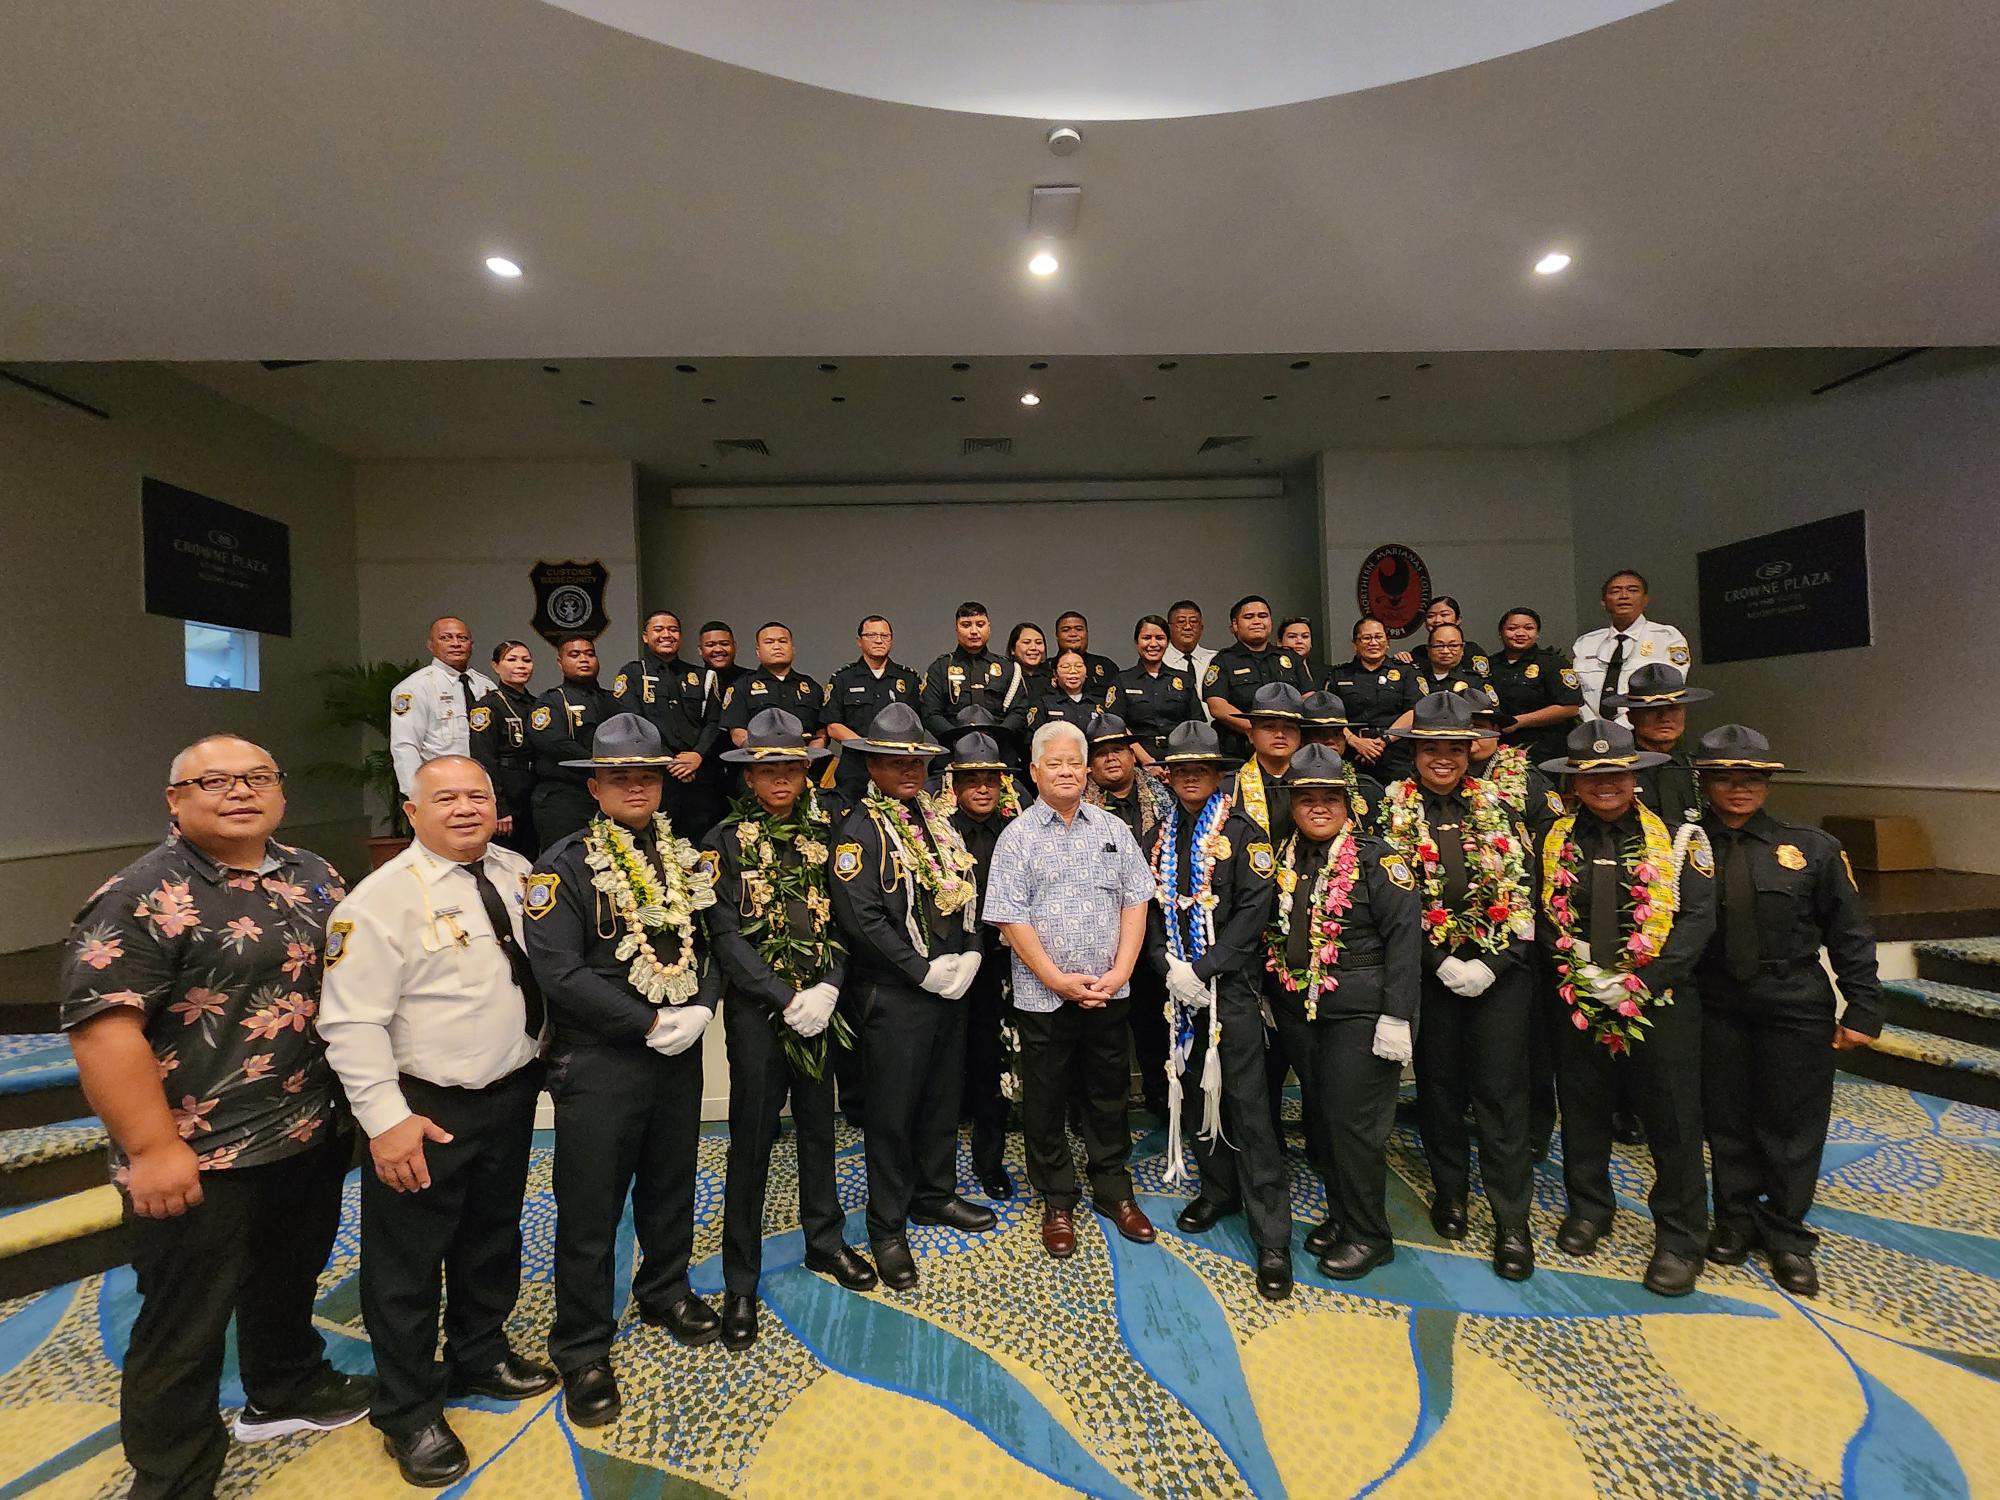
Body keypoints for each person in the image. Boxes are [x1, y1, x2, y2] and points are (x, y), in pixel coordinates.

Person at [59, 735, 369, 1500]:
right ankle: (174, 1475)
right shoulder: (141, 893)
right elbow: (104, 1029)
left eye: (258, 777)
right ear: (176, 799)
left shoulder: (315, 875)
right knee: (183, 1323)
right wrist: (152, 1146)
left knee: (288, 1277)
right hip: (199, 1152)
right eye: (215, 781)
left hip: (306, 1129)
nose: (239, 791)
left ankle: (285, 1387)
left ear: (280, 791)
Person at [318, 756, 556, 1486]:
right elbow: (351, 1023)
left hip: (509, 1093)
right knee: (406, 1266)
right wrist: (387, 1122)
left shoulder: (518, 874)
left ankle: (480, 1354)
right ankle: (409, 1410)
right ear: (411, 811)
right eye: (444, 797)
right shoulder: (379, 901)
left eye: (476, 795)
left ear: (497, 805)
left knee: (491, 1237)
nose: (463, 808)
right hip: (424, 1108)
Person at [522, 713, 722, 1426]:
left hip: (678, 1052)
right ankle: (581, 1347)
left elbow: (712, 942)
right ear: (596, 787)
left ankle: (664, 1290)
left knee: (672, 1182)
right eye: (620, 777)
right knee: (589, 1209)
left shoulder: (684, 858)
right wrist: (647, 1023)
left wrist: (701, 1007)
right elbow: (558, 970)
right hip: (602, 1059)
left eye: (647, 775)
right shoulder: (563, 866)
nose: (636, 786)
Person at [705, 711, 877, 1351]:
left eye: (791, 766)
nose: (780, 777)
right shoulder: (721, 840)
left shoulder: (831, 830)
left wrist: (829, 986)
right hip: (759, 1014)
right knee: (750, 1142)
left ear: (807, 771)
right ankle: (740, 1280)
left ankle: (824, 1242)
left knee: (818, 1127)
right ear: (750, 777)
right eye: (767, 768)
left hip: (823, 1010)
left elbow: (845, 918)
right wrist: (783, 996)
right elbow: (725, 934)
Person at [1693, 725, 1881, 1297]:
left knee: (1792, 1122)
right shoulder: (1684, 847)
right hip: (1715, 999)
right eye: (1725, 776)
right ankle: (1735, 1219)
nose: (1738, 787)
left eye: (1750, 777)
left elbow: (1849, 932)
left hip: (1792, 998)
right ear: (1705, 782)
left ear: (1768, 782)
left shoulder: (1813, 847)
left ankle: (1786, 1232)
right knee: (1725, 1117)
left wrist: (1864, 1006)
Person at [1537, 719, 1717, 1296]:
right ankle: (1590, 1208)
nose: (1605, 784)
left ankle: (1680, 1237)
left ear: (1634, 775)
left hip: (1659, 1001)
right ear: (1576, 782)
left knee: (1673, 1120)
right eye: (1592, 776)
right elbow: (1545, 913)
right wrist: (1578, 969)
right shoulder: (1555, 837)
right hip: (1581, 992)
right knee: (1583, 1108)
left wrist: (1646, 980)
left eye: (1616, 773)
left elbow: (1695, 920)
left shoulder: (1681, 838)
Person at [827, 702, 994, 1289]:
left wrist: (972, 950)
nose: (909, 769)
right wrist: (922, 971)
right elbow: (861, 919)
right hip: (897, 994)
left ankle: (935, 1195)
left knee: (941, 1101)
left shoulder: (936, 819)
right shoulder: (858, 829)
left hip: (952, 985)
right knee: (892, 1116)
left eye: (917, 760)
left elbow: (970, 886)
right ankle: (887, 1227)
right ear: (872, 763)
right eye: (896, 760)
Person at [985, 720, 1159, 1259]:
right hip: (1043, 997)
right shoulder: (1015, 836)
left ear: (1088, 772)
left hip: (1110, 992)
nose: (1065, 771)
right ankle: (1058, 1198)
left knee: (1108, 1096)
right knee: (1045, 1100)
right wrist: (1057, 979)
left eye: (1073, 763)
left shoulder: (1113, 829)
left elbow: (1136, 901)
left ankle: (1114, 1190)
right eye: (1053, 763)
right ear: (1034, 772)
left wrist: (1124, 969)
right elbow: (1010, 920)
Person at [1381, 694, 1538, 1280]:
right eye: (1431, 748)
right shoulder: (1391, 813)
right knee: (1440, 1092)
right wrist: (1438, 958)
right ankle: (1451, 1192)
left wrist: (1495, 965)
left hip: (1499, 978)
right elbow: (1392, 903)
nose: (1442, 758)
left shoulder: (1503, 807)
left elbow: (1528, 897)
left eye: (1453, 747)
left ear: (1470, 749)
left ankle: (1512, 1221)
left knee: (1500, 1097)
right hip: (1430, 975)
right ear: (1416, 752)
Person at [1258, 742, 1420, 1280]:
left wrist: (1397, 1016)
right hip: (1304, 1014)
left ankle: (1372, 1235)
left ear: (1349, 804)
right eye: (1308, 799)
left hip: (1361, 1013)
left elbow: (1404, 942)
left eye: (1331, 798)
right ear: (1294, 804)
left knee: (1355, 1126)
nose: (1319, 808)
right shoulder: (1288, 857)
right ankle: (1344, 1216)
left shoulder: (1379, 859)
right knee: (1324, 1121)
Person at [1147, 721, 1292, 1300]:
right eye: (1180, 768)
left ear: (1217, 773)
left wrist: (1201, 971)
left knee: (1248, 1104)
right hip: (1178, 989)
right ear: (1169, 774)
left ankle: (1272, 1235)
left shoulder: (1245, 833)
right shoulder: (1159, 835)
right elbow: (1150, 908)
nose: (1189, 776)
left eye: (1200, 768)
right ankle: (1218, 1189)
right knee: (1192, 1085)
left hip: (1229, 989)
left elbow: (1253, 913)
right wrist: (1168, 968)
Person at [1083, 714, 1175, 1120]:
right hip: (1098, 932)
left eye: (1117, 749)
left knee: (1157, 1021)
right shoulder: (1077, 809)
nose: (1111, 759)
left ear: (1132, 754)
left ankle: (1162, 1098)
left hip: (1157, 927)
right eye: (1100, 753)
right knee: (1101, 1030)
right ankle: (1101, 1111)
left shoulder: (1164, 800)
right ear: (1089, 764)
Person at [947, 728, 1020, 1199]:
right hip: (950, 968)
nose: (982, 788)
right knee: (949, 1066)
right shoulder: (937, 832)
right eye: (972, 780)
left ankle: (990, 1161)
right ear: (954, 786)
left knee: (996, 1062)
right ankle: (939, 1169)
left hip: (1003, 964)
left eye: (990, 780)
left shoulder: (1018, 831)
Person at [611, 610, 724, 836]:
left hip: (698, 774)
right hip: (655, 776)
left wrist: (697, 755)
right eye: (659, 629)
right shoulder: (632, 673)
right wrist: (670, 761)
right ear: (645, 636)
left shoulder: (702, 676)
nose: (666, 635)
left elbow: (714, 721)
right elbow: (632, 722)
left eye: (673, 630)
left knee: (703, 844)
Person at [527, 634, 617, 851]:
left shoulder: (612, 700)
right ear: (560, 662)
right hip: (564, 798)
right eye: (574, 655)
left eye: (590, 654)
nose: (584, 659)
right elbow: (552, 742)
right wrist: (598, 762)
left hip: (607, 796)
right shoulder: (552, 700)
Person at [391, 616, 497, 798]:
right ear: (430, 645)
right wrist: (415, 794)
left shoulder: (485, 686)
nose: (455, 643)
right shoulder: (414, 688)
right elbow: (405, 745)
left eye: (462, 638)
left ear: (471, 645)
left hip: (482, 786)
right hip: (440, 788)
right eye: (446, 638)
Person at [822, 615, 922, 805]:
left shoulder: (908, 679)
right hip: (856, 768)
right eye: (871, 635)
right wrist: (867, 746)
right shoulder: (843, 678)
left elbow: (918, 723)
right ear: (859, 641)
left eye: (885, 636)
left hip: (898, 770)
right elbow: (833, 726)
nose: (879, 640)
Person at [1203, 594, 1315, 757]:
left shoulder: (1290, 658)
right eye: (1249, 617)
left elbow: (1309, 698)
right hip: (1241, 748)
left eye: (1263, 616)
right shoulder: (1224, 660)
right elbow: (1217, 706)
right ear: (1235, 625)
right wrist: (1254, 731)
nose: (1257, 621)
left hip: (1290, 747)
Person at [1572, 569, 1692, 721]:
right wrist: (1595, 727)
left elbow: (1668, 689)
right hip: (1594, 733)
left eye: (1632, 590)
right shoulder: (1585, 643)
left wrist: (1622, 727)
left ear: (1645, 600)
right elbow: (1575, 692)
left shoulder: (1667, 637)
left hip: (1645, 727)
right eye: (1615, 591)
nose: (1624, 596)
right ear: (1603, 602)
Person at [1608, 663, 1711, 827]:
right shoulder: (1613, 770)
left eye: (1674, 708)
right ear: (1630, 717)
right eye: (1651, 709)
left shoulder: (1701, 769)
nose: (1664, 717)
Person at [469, 639, 540, 858]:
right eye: (512, 659)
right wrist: (499, 807)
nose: (520, 665)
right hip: (508, 791)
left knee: (532, 856)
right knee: (506, 857)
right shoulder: (488, 705)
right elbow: (484, 758)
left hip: (534, 789)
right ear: (496, 666)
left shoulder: (537, 703)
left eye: (526, 660)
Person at [1331, 616, 1423, 783]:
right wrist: (1355, 742)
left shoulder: (1406, 672)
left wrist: (1383, 741)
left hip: (1396, 754)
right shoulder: (1339, 675)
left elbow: (1415, 711)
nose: (1373, 642)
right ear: (1355, 644)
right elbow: (1331, 717)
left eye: (1379, 637)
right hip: (1353, 754)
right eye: (1366, 638)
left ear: (1387, 642)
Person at [1488, 607, 1583, 767]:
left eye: (1528, 628)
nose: (1520, 633)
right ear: (1500, 632)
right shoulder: (1491, 664)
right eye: (1512, 628)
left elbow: (1570, 708)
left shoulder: (1553, 663)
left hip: (1545, 750)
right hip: (1499, 749)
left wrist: (1519, 721)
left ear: (1537, 633)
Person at [920, 602, 1015, 747]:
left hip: (999, 748)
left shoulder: (1007, 668)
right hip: (953, 748)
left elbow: (1019, 711)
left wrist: (996, 737)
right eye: (966, 625)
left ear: (989, 627)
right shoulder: (941, 667)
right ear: (956, 629)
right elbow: (930, 714)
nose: (974, 631)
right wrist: (960, 739)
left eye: (980, 624)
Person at [721, 622, 827, 751]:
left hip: (804, 763)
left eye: (783, 641)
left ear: (793, 649)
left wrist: (809, 758)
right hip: (759, 763)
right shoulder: (742, 686)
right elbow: (737, 732)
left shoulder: (811, 687)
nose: (777, 646)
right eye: (769, 642)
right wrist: (760, 754)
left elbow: (821, 732)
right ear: (758, 652)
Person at [1113, 614, 1197, 770]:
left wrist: (1179, 761)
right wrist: (1147, 761)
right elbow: (1117, 726)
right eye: (1146, 638)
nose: (1153, 644)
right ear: (1137, 643)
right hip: (1138, 761)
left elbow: (1195, 724)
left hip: (1180, 761)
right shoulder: (1122, 680)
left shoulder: (1184, 680)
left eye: (1159, 638)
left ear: (1168, 642)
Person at [1298, 691, 1387, 834]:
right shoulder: (1288, 787)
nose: (1330, 740)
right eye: (1320, 734)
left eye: (1337, 733)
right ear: (1302, 740)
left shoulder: (1369, 788)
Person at [1230, 682, 1307, 849]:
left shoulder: (1316, 783)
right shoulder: (1229, 789)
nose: (1279, 734)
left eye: (1289, 727)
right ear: (1250, 735)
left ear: (1300, 736)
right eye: (1269, 727)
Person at [1395, 597, 1489, 681]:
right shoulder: (1419, 653)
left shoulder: (1472, 651)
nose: (1437, 620)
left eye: (1444, 615)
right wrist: (1401, 657)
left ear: (1458, 620)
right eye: (1430, 616)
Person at [1024, 649, 1108, 733]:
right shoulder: (1044, 703)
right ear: (1055, 674)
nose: (1073, 671)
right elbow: (1032, 738)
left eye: (1079, 666)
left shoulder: (1099, 702)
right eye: (1065, 667)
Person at [1162, 599, 1218, 721]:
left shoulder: (1216, 659)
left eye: (1193, 622)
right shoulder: (1159, 661)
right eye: (1181, 622)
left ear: (1201, 628)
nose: (1187, 627)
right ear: (1168, 628)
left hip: (1217, 731)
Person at [1053, 610, 1120, 695]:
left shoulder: (1107, 667)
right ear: (1057, 635)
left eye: (1079, 629)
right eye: (1066, 630)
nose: (1073, 634)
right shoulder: (1045, 669)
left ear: (1087, 634)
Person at [698, 620, 751, 697]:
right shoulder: (692, 683)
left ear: (735, 647)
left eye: (724, 644)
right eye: (710, 645)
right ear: (700, 650)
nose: (718, 650)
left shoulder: (750, 680)